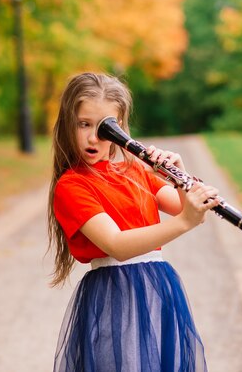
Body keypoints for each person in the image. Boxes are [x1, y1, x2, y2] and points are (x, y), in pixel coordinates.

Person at [47, 72, 220, 372]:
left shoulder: (135, 171)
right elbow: (118, 246)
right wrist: (185, 223)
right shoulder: (72, 186)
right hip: (115, 295)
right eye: (83, 124)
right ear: (67, 124)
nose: (92, 137)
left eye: (103, 128)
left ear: (120, 129)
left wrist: (178, 174)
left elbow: (183, 205)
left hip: (159, 288)